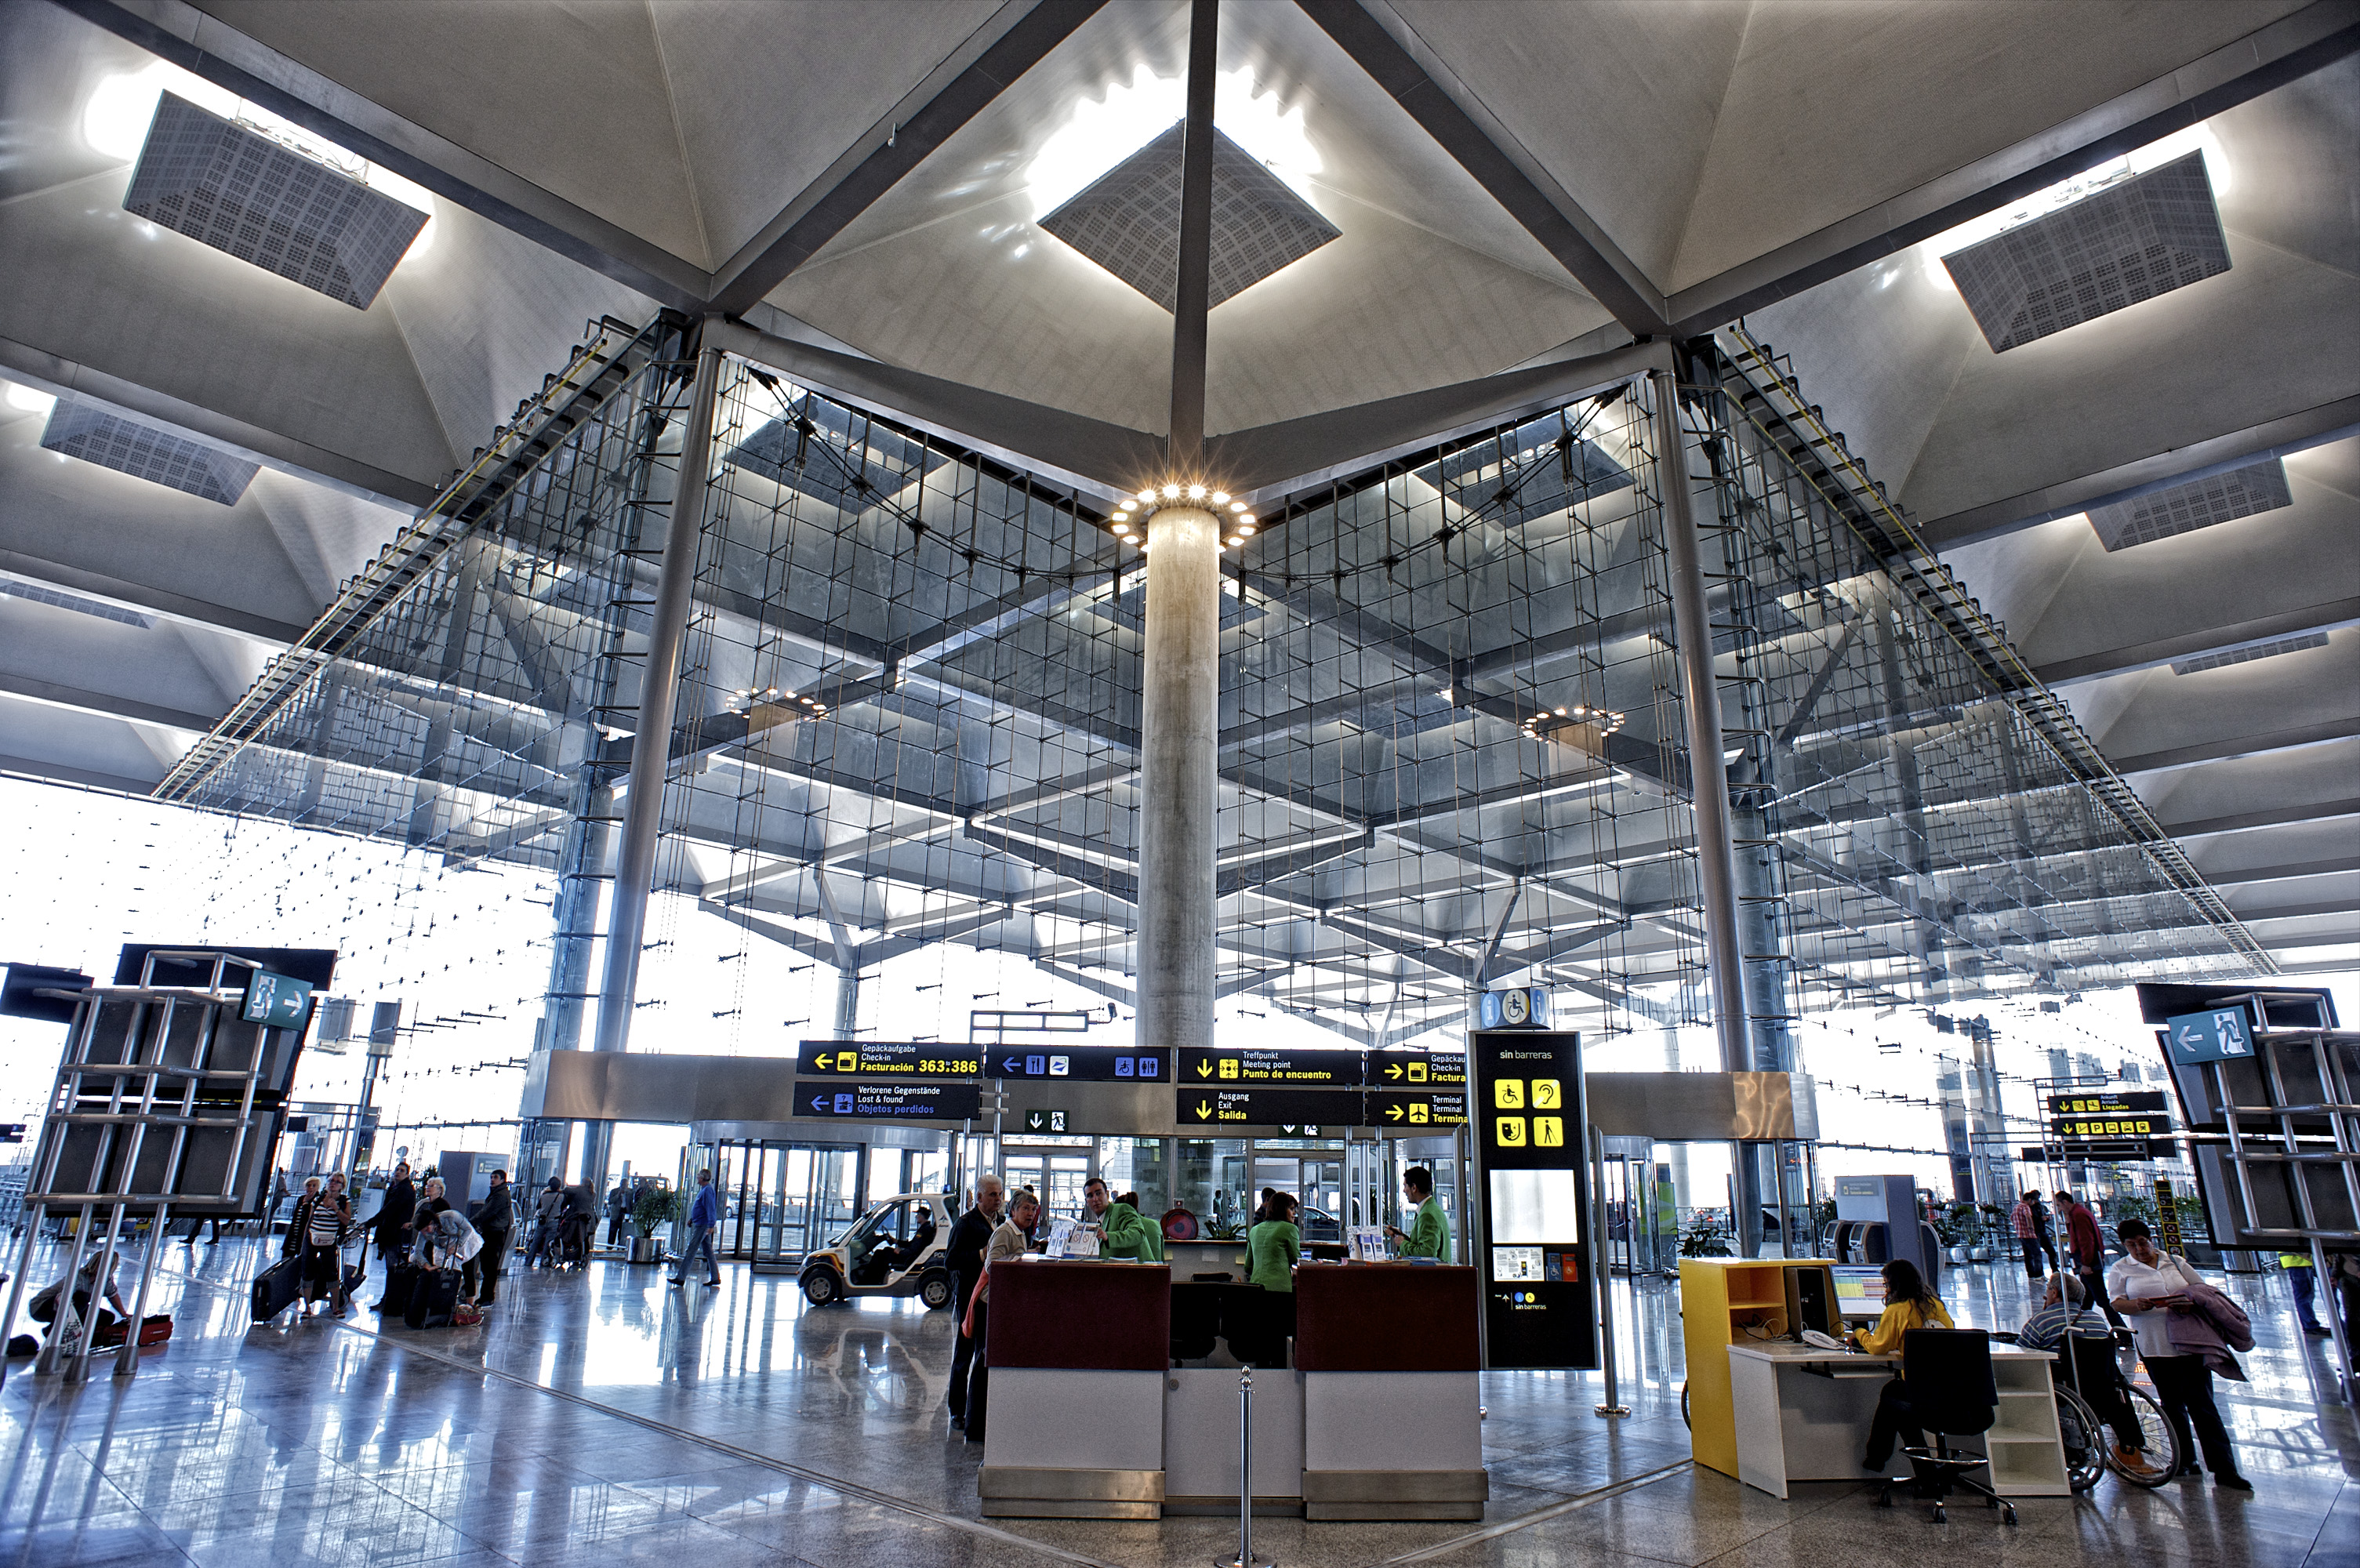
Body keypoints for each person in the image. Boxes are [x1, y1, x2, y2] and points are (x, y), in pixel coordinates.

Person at [2108, 1218, 2250, 1490]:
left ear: (2151, 1240)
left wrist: (2188, 1302)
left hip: (2189, 1344)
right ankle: (2185, 1461)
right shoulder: (2121, 1269)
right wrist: (2136, 1305)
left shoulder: (2174, 1262)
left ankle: (2224, 1468)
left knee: (2203, 1405)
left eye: (2141, 1242)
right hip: (2155, 1347)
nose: (2138, 1249)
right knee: (2172, 1405)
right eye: (2131, 1245)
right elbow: (2117, 1302)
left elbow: (2204, 1292)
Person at [2019, 1273, 2151, 1469]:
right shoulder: (2096, 1320)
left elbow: (2022, 1351)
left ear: (2054, 1292)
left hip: (2063, 1389)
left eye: (2048, 1289)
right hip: (2101, 1390)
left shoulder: (2041, 1321)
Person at [1854, 1259, 1955, 1472]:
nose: (1886, 1289)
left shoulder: (1897, 1311)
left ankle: (1877, 1458)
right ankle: (1921, 1472)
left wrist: (1859, 1334)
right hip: (1952, 1391)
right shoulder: (1937, 1306)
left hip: (1922, 1392)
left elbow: (1878, 1347)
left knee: (1895, 1396)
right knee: (1897, 1399)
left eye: (1886, 1284)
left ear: (1894, 1285)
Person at [963, 1187, 1039, 1446]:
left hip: (1001, 1303)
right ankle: (973, 1426)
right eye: (1025, 1209)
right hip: (988, 1303)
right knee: (983, 1362)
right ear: (1013, 1210)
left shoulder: (1020, 1233)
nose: (1030, 1214)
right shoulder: (1005, 1232)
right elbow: (993, 1264)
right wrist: (1022, 1260)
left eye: (1033, 1209)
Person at [946, 1177, 1005, 1432]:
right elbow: (951, 1260)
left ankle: (979, 1409)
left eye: (1000, 1194)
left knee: (984, 1354)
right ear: (979, 1197)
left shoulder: (1002, 1224)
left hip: (992, 1300)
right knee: (965, 1353)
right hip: (970, 1299)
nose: (998, 1199)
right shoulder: (965, 1224)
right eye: (992, 1195)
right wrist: (980, 1254)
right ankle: (957, 1410)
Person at [2055, 1190, 2122, 1330]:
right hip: (2087, 1262)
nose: (2059, 1209)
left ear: (2065, 1202)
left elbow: (2086, 1240)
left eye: (2059, 1205)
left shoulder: (2079, 1215)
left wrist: (2086, 1263)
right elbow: (2075, 1235)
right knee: (2087, 1299)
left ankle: (2122, 1332)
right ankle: (2080, 1327)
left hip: (2089, 1263)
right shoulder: (2077, 1213)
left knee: (2102, 1299)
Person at [286, 1175, 350, 1318]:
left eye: (337, 1182)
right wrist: (304, 1240)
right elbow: (310, 1219)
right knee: (307, 1271)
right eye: (331, 1181)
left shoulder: (344, 1200)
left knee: (331, 1272)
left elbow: (346, 1220)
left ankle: (335, 1306)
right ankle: (307, 1307)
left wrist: (336, 1209)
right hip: (312, 1238)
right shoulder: (318, 1199)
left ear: (342, 1186)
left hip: (329, 1240)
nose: (333, 1184)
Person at [1085, 1178, 1164, 1261]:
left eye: (1098, 1193)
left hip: (1138, 1272)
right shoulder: (1101, 1222)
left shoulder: (1121, 1209)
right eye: (1090, 1196)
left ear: (1107, 1195)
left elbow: (1138, 1233)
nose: (1095, 1199)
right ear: (1086, 1202)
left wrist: (1108, 1236)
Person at [670, 1168, 721, 1287]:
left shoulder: (707, 1191)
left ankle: (681, 1277)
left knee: (691, 1250)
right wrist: (692, 1219)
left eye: (699, 1176)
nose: (697, 1177)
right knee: (708, 1252)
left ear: (703, 1178)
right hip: (700, 1223)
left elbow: (710, 1208)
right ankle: (715, 1278)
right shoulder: (704, 1190)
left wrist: (710, 1225)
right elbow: (702, 1208)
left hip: (702, 1226)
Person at [1385, 1167, 1450, 1260]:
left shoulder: (1427, 1214)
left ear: (1414, 1188)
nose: (1404, 1191)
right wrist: (1403, 1238)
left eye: (1405, 1186)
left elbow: (1427, 1254)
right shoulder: (1432, 1209)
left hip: (1432, 1274)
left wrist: (1403, 1244)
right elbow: (1425, 1246)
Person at [474, 1168, 515, 1305]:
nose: (492, 1180)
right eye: (491, 1177)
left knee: (489, 1267)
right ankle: (486, 1296)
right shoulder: (499, 1193)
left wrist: (470, 1222)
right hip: (493, 1232)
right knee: (488, 1266)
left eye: (495, 1177)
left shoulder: (500, 1196)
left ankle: (487, 1297)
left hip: (493, 1233)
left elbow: (487, 1212)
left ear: (502, 1180)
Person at [1247, 1191, 1302, 1293]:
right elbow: (1295, 1261)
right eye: (1291, 1209)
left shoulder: (1254, 1230)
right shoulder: (1290, 1229)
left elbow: (1248, 1266)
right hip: (1279, 1290)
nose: (1294, 1213)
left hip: (1255, 1288)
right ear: (1282, 1209)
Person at [374, 1161, 417, 1267]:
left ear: (407, 1175)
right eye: (397, 1170)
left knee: (394, 1267)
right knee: (391, 1265)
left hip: (396, 1234)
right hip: (390, 1233)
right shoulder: (393, 1188)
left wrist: (371, 1222)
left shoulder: (405, 1190)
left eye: (402, 1171)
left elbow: (390, 1209)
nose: (398, 1172)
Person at [2280, 1250, 2330, 1338]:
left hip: (2304, 1260)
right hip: (2296, 1261)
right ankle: (2310, 1326)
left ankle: (2310, 1324)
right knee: (2304, 1296)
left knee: (2308, 1294)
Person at [528, 1176, 564, 1268]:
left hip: (542, 1221)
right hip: (554, 1221)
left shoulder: (543, 1195)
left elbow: (538, 1207)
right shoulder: (561, 1196)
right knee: (548, 1243)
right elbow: (562, 1207)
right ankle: (544, 1261)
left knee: (536, 1241)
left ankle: (529, 1260)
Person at [2009, 1192, 2046, 1280]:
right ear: (2029, 1200)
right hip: (2029, 1235)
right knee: (2037, 1254)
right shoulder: (2025, 1207)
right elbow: (2028, 1216)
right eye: (2033, 1201)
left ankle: (2031, 1274)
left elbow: (2011, 1218)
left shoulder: (2016, 1207)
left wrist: (2017, 1225)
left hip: (2021, 1234)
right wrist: (2030, 1227)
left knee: (2028, 1255)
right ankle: (2039, 1275)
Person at [605, 1181, 631, 1247]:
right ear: (620, 1184)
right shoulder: (614, 1191)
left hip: (625, 1212)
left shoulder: (629, 1192)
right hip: (616, 1212)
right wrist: (618, 1195)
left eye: (626, 1185)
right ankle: (610, 1245)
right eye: (623, 1184)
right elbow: (610, 1201)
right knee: (613, 1230)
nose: (624, 1186)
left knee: (623, 1230)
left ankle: (621, 1245)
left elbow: (631, 1202)